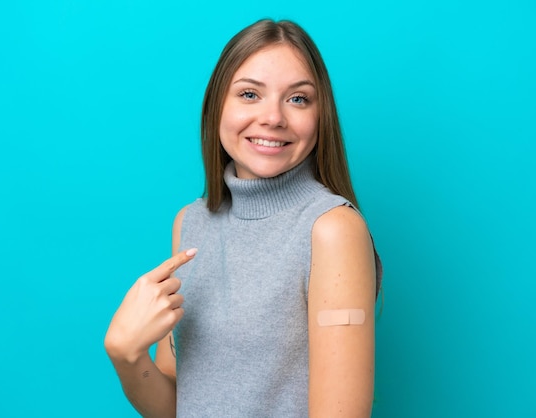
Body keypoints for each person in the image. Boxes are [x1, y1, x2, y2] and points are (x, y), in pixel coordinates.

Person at [104, 18, 382, 417]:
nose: (273, 118)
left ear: (321, 117)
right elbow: (178, 408)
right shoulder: (190, 223)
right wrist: (127, 358)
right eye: (250, 94)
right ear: (217, 104)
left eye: (298, 99)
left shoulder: (332, 230)